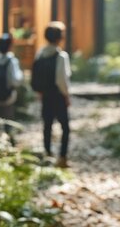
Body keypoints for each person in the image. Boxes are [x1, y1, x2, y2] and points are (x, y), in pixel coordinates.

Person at [33, 21, 71, 168]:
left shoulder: (40, 54)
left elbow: (36, 76)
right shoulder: (61, 56)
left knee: (47, 125)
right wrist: (66, 95)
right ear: (59, 37)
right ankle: (62, 157)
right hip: (58, 95)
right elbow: (62, 80)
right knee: (65, 127)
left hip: (45, 95)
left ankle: (48, 153)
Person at [0, 34, 24, 143]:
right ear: (10, 46)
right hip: (7, 97)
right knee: (8, 121)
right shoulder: (11, 61)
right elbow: (15, 80)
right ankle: (10, 143)